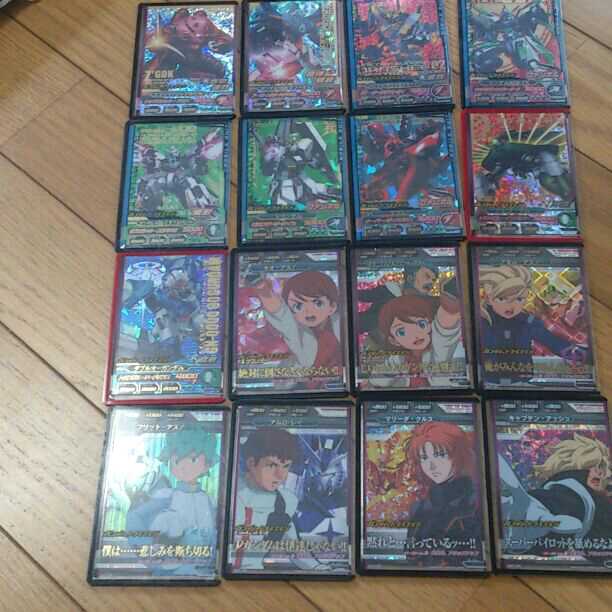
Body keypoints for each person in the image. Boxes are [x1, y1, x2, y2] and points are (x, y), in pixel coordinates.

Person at [499, 433, 612, 556]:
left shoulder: (585, 500)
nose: (605, 474)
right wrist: (532, 512)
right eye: (599, 466)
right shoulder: (569, 497)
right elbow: (552, 501)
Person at [479, 265, 587, 384]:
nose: (511, 306)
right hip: (487, 381)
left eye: (519, 299)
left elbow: (554, 343)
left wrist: (582, 355)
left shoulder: (528, 322)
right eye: (502, 299)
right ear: (489, 298)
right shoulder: (481, 322)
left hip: (521, 381)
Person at [126, 429, 219, 547]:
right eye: (177, 461)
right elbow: (136, 515)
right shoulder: (165, 495)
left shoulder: (209, 500)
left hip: (205, 555)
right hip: (171, 553)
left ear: (207, 465)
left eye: (193, 459)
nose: (184, 466)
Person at [233, 428, 302, 570]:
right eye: (272, 465)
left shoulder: (285, 501)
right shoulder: (230, 492)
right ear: (251, 463)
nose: (280, 476)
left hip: (254, 576)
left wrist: (323, 568)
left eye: (286, 466)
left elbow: (294, 548)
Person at [405, 422, 480, 544]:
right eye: (424, 458)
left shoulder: (475, 503)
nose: (432, 466)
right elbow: (410, 550)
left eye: (440, 455)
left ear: (458, 454)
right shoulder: (418, 509)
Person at [254, 270, 342, 371]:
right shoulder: (296, 331)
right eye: (298, 306)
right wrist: (261, 287)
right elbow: (279, 312)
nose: (308, 311)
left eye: (318, 303)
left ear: (332, 307)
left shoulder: (340, 323)